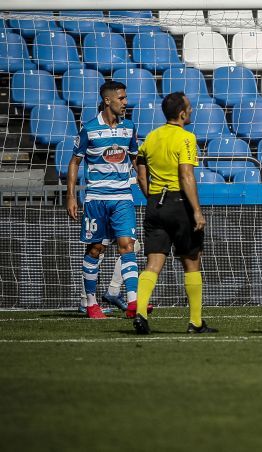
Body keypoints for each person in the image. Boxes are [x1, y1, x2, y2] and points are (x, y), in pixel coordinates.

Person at [133, 92, 215, 334]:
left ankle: (139, 313)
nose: (191, 111)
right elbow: (186, 175)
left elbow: (140, 171)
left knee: (153, 263)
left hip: (155, 204)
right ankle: (196, 322)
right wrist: (197, 211)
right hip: (179, 203)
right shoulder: (186, 138)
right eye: (189, 108)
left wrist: (152, 195)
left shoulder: (151, 137)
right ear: (182, 113)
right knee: (191, 262)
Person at [66, 81, 140, 319]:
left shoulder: (129, 128)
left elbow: (137, 161)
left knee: (127, 245)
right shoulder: (89, 129)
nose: (125, 102)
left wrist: (148, 188)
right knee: (96, 249)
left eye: (125, 98)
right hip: (96, 198)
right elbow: (75, 162)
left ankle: (133, 303)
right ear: (108, 100)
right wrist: (71, 196)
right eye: (121, 98)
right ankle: (90, 303)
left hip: (123, 197)